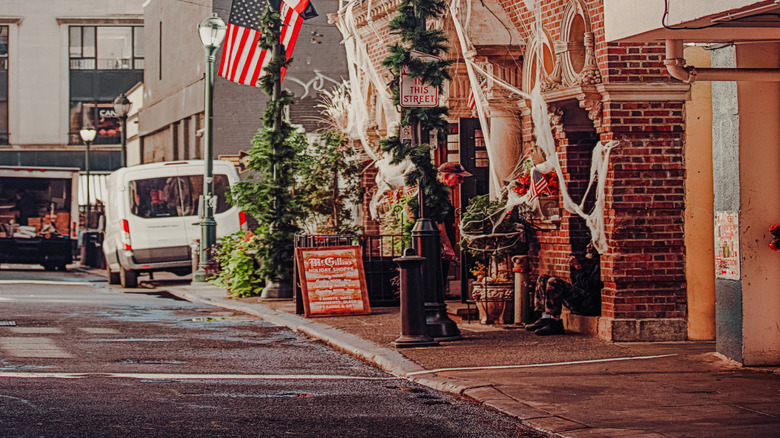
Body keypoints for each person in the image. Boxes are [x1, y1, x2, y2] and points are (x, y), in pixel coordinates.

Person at [525, 242, 602, 335]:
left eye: (592, 243)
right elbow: (580, 282)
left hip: (589, 304)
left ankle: (555, 322)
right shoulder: (592, 262)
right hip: (583, 297)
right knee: (542, 278)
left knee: (554, 282)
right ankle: (545, 317)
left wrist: (578, 267)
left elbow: (590, 286)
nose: (588, 246)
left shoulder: (602, 265)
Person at [437, 162, 472, 296]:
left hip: (441, 246)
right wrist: (447, 247)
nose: (461, 181)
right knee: (439, 279)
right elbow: (439, 223)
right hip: (438, 247)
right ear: (446, 176)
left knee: (441, 278)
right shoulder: (438, 196)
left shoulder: (444, 194)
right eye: (459, 177)